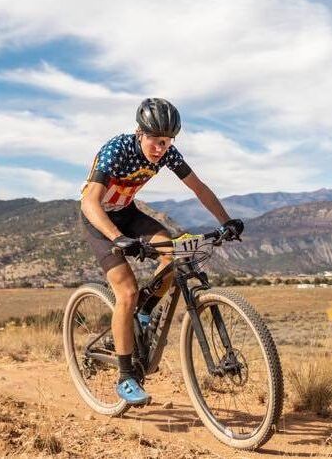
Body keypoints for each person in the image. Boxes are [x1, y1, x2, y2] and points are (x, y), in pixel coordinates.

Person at [80, 98, 244, 406]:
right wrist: (117, 238)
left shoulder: (168, 153)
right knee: (127, 291)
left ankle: (143, 313)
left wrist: (226, 221)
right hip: (98, 219)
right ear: (140, 133)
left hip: (127, 212)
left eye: (167, 142)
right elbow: (90, 201)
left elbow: (198, 187)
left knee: (171, 254)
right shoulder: (116, 150)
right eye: (156, 140)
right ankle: (126, 377)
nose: (160, 148)